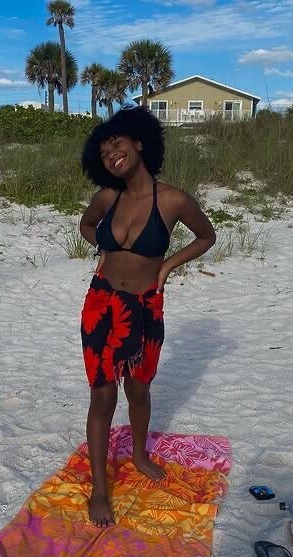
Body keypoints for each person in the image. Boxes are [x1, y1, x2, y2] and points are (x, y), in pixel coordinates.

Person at [79, 106, 216, 527]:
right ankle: (100, 488)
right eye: (104, 153)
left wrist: (167, 265)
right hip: (101, 304)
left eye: (117, 144)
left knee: (138, 390)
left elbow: (207, 235)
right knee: (103, 395)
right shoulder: (107, 197)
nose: (111, 155)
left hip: (145, 307)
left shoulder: (173, 200)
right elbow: (86, 225)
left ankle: (138, 453)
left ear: (140, 143)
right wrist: (104, 248)